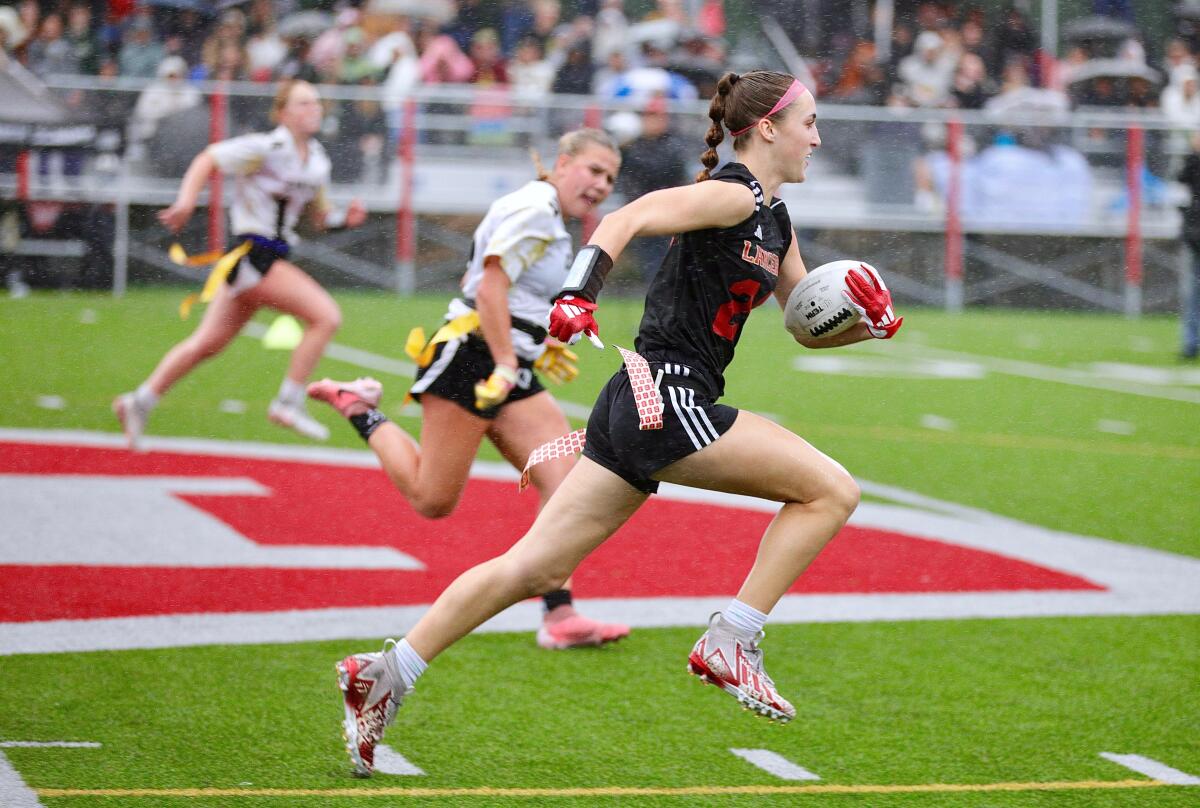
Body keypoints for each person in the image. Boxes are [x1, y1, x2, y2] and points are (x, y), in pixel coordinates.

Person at [330, 70, 905, 777]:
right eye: (810, 123)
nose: (818, 137)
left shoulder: (776, 221)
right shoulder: (732, 193)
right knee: (831, 491)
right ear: (767, 129)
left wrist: (867, 327)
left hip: (641, 403)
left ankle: (386, 672)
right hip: (666, 397)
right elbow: (621, 221)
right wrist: (580, 292)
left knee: (533, 566)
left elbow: (803, 327)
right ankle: (733, 638)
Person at [308, 128, 631, 659]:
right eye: (593, 170)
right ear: (562, 161)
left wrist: (531, 343)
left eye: (610, 179)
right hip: (473, 360)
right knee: (432, 499)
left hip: (505, 366)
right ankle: (361, 407)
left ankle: (560, 614)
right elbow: (488, 287)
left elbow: (493, 281)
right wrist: (508, 357)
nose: (600, 185)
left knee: (569, 488)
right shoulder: (535, 208)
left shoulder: (542, 212)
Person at [113, 80, 366, 449]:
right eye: (302, 103)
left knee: (206, 345)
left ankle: (139, 401)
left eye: (315, 103)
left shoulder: (317, 160)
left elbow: (320, 218)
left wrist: (347, 219)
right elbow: (208, 158)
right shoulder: (266, 148)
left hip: (268, 258)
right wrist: (185, 201)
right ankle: (287, 402)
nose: (313, 109)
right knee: (327, 317)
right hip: (253, 254)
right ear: (282, 113)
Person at [1179, 132, 1200, 360]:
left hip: (1195, 233)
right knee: (1193, 291)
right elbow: (1182, 176)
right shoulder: (1194, 163)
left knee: (1193, 292)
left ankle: (1191, 342)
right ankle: (1191, 342)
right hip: (1196, 235)